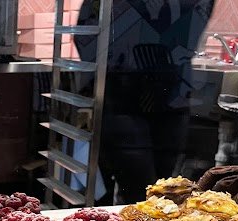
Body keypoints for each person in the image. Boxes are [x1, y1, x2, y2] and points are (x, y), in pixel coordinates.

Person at [75, 0, 215, 203]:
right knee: (142, 190)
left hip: (170, 98)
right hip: (126, 98)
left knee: (161, 189)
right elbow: (86, 36)